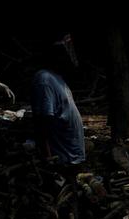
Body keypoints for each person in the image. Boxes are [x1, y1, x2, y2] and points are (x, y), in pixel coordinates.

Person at [31, 34, 86, 167]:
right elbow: (44, 120)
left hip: (72, 156)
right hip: (63, 159)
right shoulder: (45, 79)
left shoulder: (57, 78)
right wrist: (47, 156)